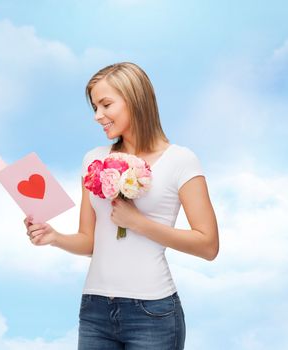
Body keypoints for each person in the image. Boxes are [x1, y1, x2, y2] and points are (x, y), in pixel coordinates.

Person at [24, 62, 219, 350]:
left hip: (152, 312)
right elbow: (90, 241)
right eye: (94, 108)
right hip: (95, 309)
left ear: (135, 100)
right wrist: (55, 238)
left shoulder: (181, 160)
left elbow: (208, 245)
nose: (97, 116)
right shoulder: (93, 159)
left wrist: (138, 223)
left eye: (105, 105)